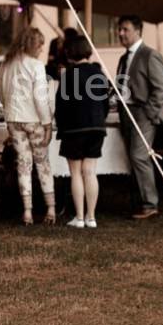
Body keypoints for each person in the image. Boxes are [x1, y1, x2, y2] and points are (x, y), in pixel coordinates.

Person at [0, 27, 55, 226]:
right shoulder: (36, 66)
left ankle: (28, 211)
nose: (41, 49)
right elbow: (40, 98)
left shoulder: (5, 65)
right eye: (39, 44)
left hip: (13, 119)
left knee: (23, 165)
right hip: (33, 120)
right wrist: (47, 123)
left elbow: (2, 95)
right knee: (42, 163)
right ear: (32, 44)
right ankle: (51, 208)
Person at [115, 14, 163, 219]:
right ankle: (137, 200)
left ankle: (149, 203)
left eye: (125, 29)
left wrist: (150, 113)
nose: (121, 33)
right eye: (119, 29)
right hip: (125, 112)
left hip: (142, 113)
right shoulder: (123, 57)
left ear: (138, 31)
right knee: (131, 157)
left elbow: (161, 87)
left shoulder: (149, 55)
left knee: (139, 155)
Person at [55, 34, 110, 229]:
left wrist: (60, 129)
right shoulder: (99, 74)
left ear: (70, 52)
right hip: (96, 127)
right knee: (90, 172)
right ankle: (91, 217)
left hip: (74, 129)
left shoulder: (68, 76)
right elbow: (105, 103)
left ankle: (79, 217)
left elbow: (60, 106)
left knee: (76, 173)